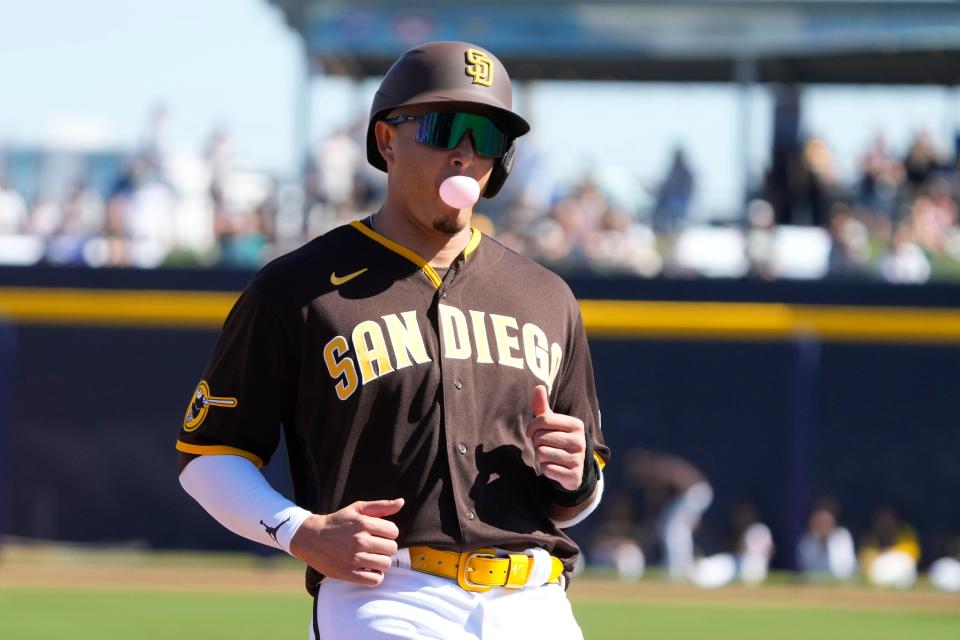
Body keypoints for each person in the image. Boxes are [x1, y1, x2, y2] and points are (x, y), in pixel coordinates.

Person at [175, 41, 609, 640]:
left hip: (535, 601)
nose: (465, 154)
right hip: (387, 594)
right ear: (386, 140)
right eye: (443, 127)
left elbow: (577, 498)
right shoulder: (298, 287)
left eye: (486, 137)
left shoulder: (546, 296)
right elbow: (209, 455)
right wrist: (300, 530)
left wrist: (577, 475)